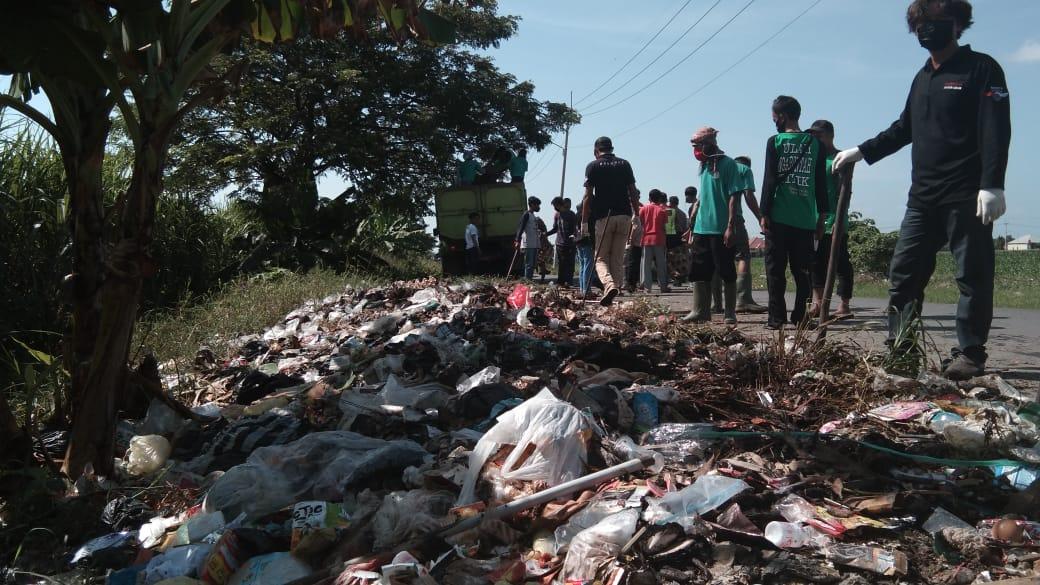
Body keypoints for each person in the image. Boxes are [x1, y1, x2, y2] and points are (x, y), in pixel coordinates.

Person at [832, 0, 1010, 379]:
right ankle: (902, 349)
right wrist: (862, 151)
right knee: (904, 274)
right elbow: (904, 128)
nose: (927, 30)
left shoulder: (982, 68)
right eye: (920, 24)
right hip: (922, 196)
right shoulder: (922, 77)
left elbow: (996, 129)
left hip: (967, 193)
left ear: (958, 24)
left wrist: (992, 184)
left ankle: (970, 354)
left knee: (972, 276)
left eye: (936, 22)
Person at [759, 95, 829, 330]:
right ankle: (800, 316)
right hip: (806, 220)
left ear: (783, 116)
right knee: (803, 272)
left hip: (778, 218)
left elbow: (769, 180)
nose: (774, 121)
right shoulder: (815, 144)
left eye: (774, 117)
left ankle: (776, 319)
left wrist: (763, 212)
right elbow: (821, 183)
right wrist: (822, 217)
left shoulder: (775, 142)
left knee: (775, 271)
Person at [683, 127, 743, 325]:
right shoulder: (704, 166)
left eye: (699, 145)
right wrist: (692, 226)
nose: (696, 150)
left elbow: (734, 196)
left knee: (726, 270)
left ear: (709, 144)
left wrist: (730, 226)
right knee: (699, 270)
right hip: (702, 228)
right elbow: (702, 197)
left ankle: (729, 312)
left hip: (720, 227)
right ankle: (700, 310)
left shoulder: (729, 165)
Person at [581, 136, 640, 306]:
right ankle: (616, 292)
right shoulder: (625, 164)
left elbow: (588, 196)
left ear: (595, 151)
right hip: (625, 216)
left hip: (604, 216)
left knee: (600, 258)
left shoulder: (593, 166)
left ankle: (609, 285)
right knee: (617, 257)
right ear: (612, 148)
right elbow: (633, 191)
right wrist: (637, 214)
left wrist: (584, 222)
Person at [806, 120, 854, 319]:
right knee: (815, 262)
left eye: (819, 135)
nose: (816, 139)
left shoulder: (839, 158)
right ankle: (818, 303)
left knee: (841, 261)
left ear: (830, 135)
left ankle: (844, 304)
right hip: (813, 218)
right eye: (813, 136)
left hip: (834, 218)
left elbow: (845, 191)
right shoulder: (812, 159)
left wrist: (838, 219)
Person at [640, 189, 671, 293]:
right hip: (659, 239)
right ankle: (663, 286)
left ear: (649, 198)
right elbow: (664, 226)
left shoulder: (643, 209)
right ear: (659, 198)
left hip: (646, 239)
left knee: (646, 265)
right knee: (661, 264)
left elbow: (641, 223)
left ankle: (647, 288)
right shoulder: (662, 210)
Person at [547, 196, 578, 286]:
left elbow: (575, 230)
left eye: (555, 206)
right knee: (561, 264)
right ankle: (561, 283)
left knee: (570, 264)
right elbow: (555, 229)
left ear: (558, 204)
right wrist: (546, 234)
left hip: (570, 244)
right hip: (560, 244)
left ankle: (569, 282)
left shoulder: (571, 214)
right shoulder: (557, 215)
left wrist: (573, 240)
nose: (554, 208)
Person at [514, 196, 541, 280]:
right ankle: (527, 282)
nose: (538, 207)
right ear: (532, 205)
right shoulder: (526, 214)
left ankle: (529, 280)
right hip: (528, 244)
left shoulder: (533, 216)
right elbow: (520, 228)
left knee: (532, 264)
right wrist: (517, 240)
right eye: (537, 205)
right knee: (529, 264)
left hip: (534, 243)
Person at [666, 196, 690, 286]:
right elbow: (685, 227)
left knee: (671, 260)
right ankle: (680, 278)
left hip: (671, 238)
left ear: (670, 203)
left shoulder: (669, 212)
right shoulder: (683, 214)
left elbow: (669, 227)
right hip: (681, 238)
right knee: (680, 260)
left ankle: (676, 278)